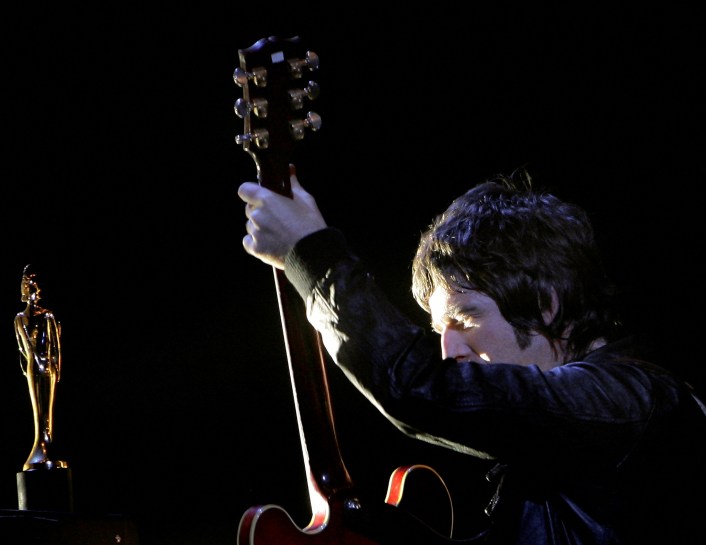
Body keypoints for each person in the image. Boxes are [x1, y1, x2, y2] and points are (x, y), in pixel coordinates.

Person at [237, 165, 706, 545]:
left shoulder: (631, 400)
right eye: (440, 329)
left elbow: (419, 386)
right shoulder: (550, 454)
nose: (448, 349)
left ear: (547, 302)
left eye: (465, 319)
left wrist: (312, 254)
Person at [15, 264, 66, 471]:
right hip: (33, 368)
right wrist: (32, 364)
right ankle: (40, 446)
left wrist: (54, 368)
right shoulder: (20, 318)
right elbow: (23, 349)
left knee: (48, 410)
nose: (31, 287)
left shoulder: (47, 316)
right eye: (27, 282)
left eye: (34, 282)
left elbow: (55, 347)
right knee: (38, 409)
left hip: (48, 368)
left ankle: (47, 445)